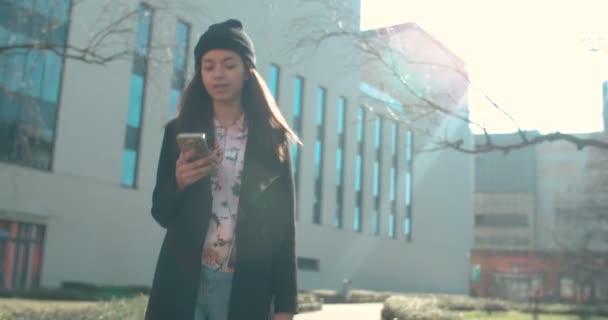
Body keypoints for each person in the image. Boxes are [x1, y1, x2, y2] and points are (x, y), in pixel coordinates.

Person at [145, 19, 300, 320]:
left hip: (245, 285)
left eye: (229, 64)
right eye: (208, 65)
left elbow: (285, 229)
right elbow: (160, 212)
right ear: (200, 73)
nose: (218, 74)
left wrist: (285, 305)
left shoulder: (272, 140)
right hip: (182, 280)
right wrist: (178, 183)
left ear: (246, 72)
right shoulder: (178, 132)